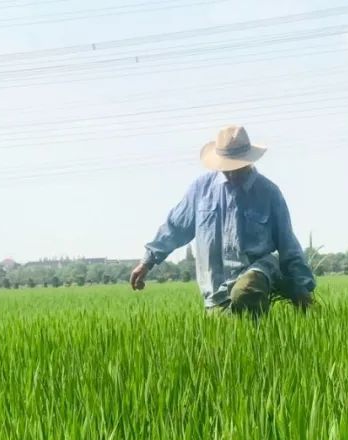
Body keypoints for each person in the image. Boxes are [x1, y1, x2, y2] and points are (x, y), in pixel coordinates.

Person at [130, 124, 316, 315]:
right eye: (228, 168)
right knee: (231, 339)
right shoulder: (201, 190)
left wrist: (302, 287)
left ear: (248, 161)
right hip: (216, 292)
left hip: (257, 272)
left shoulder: (268, 192)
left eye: (239, 167)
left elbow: (287, 243)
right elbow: (175, 227)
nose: (233, 173)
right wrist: (147, 262)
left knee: (245, 292)